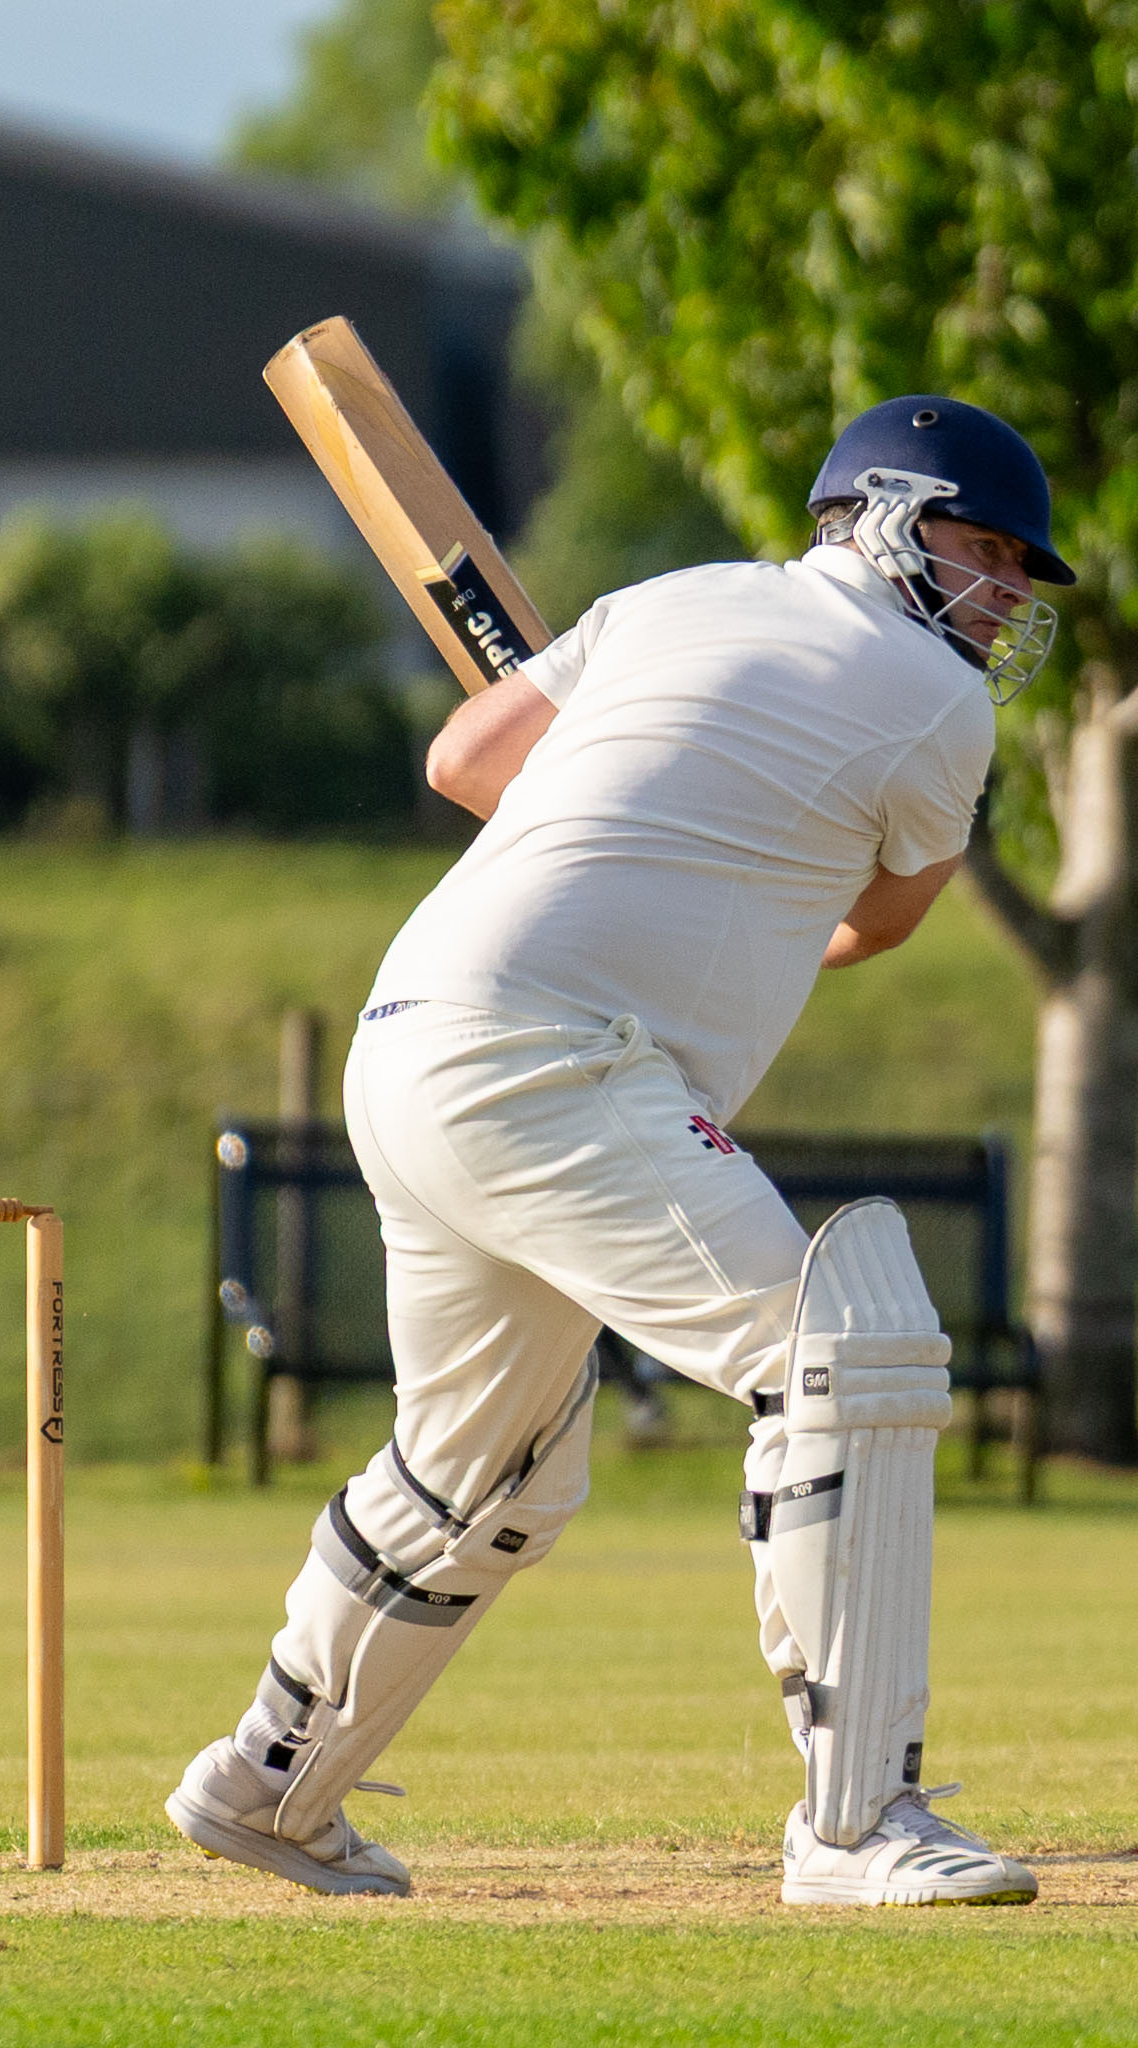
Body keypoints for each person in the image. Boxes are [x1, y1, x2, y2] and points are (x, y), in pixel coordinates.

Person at [167, 395, 1067, 1907]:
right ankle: (858, 1823)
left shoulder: (669, 599)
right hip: (558, 1059)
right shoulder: (936, 702)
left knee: (483, 1470)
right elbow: (880, 920)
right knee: (842, 1351)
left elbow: (466, 757)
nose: (1004, 592)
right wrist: (728, 872)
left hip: (410, 1032)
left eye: (1019, 571)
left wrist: (640, 803)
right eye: (987, 551)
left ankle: (271, 1782)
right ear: (891, 519)